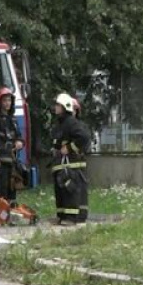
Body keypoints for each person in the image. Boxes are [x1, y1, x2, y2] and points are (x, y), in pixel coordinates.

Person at [51, 93, 91, 225]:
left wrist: (69, 147)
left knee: (71, 191)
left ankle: (72, 218)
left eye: (57, 105)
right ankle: (63, 216)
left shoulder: (71, 122)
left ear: (64, 107)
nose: (55, 107)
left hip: (72, 165)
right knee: (61, 192)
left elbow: (84, 137)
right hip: (61, 165)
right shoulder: (61, 123)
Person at [0, 87, 24, 207]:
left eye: (9, 100)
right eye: (5, 100)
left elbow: (19, 136)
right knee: (0, 188)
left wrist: (20, 142)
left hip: (12, 160)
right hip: (0, 161)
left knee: (12, 186)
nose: (7, 103)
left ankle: (11, 212)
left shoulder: (12, 119)